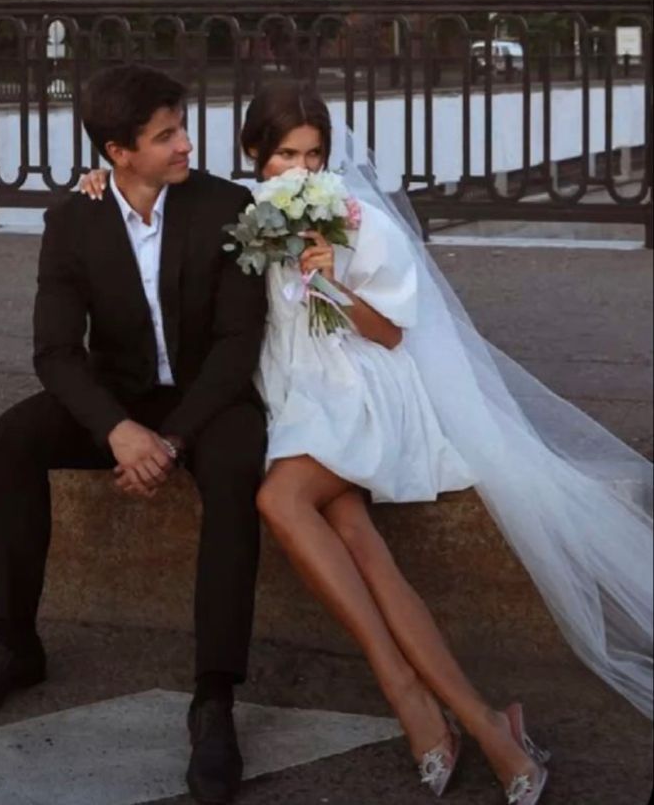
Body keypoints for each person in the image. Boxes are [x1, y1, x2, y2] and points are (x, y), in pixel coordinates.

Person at [80, 80, 651, 804]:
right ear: (255, 153)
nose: (302, 170)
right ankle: (488, 721)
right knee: (353, 532)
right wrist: (99, 179)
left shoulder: (352, 216)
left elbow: (390, 332)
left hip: (359, 391)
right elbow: (157, 200)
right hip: (293, 399)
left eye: (314, 154)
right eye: (285, 154)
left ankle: (412, 699)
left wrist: (329, 278)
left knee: (281, 500)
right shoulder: (237, 209)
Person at [0, 64, 268, 805]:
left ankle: (214, 696)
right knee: (12, 439)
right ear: (118, 153)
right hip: (118, 398)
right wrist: (120, 430)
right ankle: (16, 644)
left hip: (208, 403)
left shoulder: (227, 206)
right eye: (167, 136)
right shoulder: (73, 221)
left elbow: (236, 344)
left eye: (181, 128)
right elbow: (55, 351)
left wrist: (173, 439)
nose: (186, 144)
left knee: (235, 464)